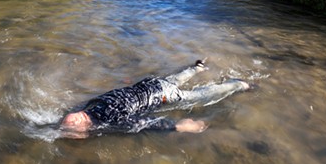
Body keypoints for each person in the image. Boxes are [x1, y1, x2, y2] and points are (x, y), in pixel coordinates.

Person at [60, 60, 250, 136]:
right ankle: (197, 68)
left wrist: (180, 126)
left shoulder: (111, 120)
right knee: (172, 80)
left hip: (163, 95)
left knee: (199, 96)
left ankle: (239, 84)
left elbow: (146, 123)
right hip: (150, 83)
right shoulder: (94, 103)